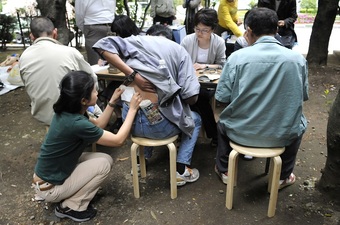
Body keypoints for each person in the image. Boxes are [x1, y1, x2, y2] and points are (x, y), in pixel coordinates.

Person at [214, 7, 308, 188]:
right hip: (282, 135)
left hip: (241, 133)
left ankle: (225, 170)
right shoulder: (297, 60)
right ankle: (283, 176)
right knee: (299, 124)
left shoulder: (237, 58)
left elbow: (222, 97)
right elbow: (302, 96)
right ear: (277, 29)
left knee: (222, 123)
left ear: (248, 31)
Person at [32, 71, 142, 222]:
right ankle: (71, 206)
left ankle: (72, 193)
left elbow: (100, 125)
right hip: (49, 188)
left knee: (103, 158)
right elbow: (118, 140)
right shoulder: (76, 123)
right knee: (103, 164)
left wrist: (112, 101)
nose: (97, 93)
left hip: (47, 177)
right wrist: (132, 110)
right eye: (94, 91)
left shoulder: (69, 112)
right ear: (84, 100)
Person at [93, 34, 202, 187]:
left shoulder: (133, 42)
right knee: (195, 119)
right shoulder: (179, 51)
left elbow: (100, 44)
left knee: (145, 110)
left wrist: (133, 75)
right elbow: (192, 97)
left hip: (129, 124)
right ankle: (181, 170)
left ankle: (140, 162)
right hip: (158, 127)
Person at [19, 17, 101, 126]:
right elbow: (93, 80)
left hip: (42, 115)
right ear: (55, 33)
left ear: (32, 36)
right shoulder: (70, 52)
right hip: (70, 114)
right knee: (98, 112)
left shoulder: (24, 57)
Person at [180, 8, 226, 146]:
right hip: (188, 82)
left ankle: (194, 132)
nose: (199, 33)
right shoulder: (187, 40)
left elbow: (222, 65)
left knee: (199, 96)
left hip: (208, 84)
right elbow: (178, 61)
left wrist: (204, 66)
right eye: (197, 29)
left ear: (212, 29)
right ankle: (214, 134)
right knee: (197, 97)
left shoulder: (218, 42)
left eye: (204, 30)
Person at [100, 15, 141, 133]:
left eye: (118, 32)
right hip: (124, 77)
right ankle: (119, 118)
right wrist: (106, 60)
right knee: (110, 90)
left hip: (137, 78)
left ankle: (125, 119)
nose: (117, 36)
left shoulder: (139, 39)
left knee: (115, 89)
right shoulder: (120, 41)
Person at [75, 0, 116, 65]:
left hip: (93, 26)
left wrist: (86, 30)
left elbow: (79, 15)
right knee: (112, 63)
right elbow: (112, 9)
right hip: (110, 26)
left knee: (95, 64)